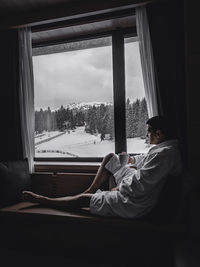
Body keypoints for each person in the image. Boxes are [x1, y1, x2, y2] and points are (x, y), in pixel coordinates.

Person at [22, 116, 182, 219]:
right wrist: (133, 159)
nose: (147, 137)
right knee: (110, 158)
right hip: (134, 184)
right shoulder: (163, 150)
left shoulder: (164, 155)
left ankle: (45, 200)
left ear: (159, 134)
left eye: (148, 133)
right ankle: (90, 190)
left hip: (133, 202)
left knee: (83, 201)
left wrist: (118, 188)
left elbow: (140, 186)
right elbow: (147, 160)